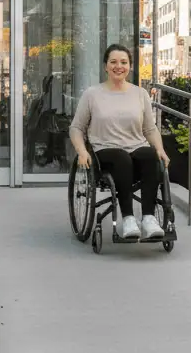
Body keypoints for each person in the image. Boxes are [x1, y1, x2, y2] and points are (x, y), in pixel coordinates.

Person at [69, 44, 170, 240]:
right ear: (106, 66)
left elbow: (150, 128)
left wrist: (160, 149)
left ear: (130, 67)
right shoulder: (92, 94)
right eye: (113, 62)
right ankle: (129, 219)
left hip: (136, 147)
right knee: (122, 158)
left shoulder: (140, 94)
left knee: (150, 156)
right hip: (105, 151)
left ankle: (148, 218)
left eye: (123, 62)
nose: (119, 66)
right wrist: (82, 151)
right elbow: (76, 128)